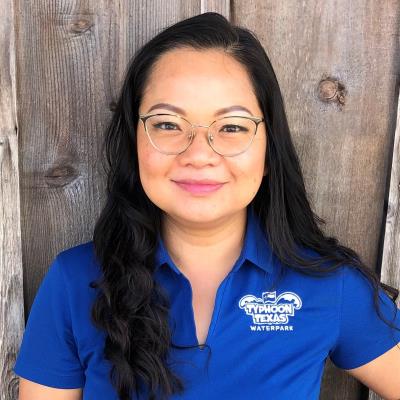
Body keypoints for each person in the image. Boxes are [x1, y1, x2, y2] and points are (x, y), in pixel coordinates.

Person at [14, 12, 400, 400]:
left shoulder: (331, 286)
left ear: (269, 151)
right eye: (168, 124)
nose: (199, 155)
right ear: (135, 142)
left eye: (232, 127)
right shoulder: (74, 281)